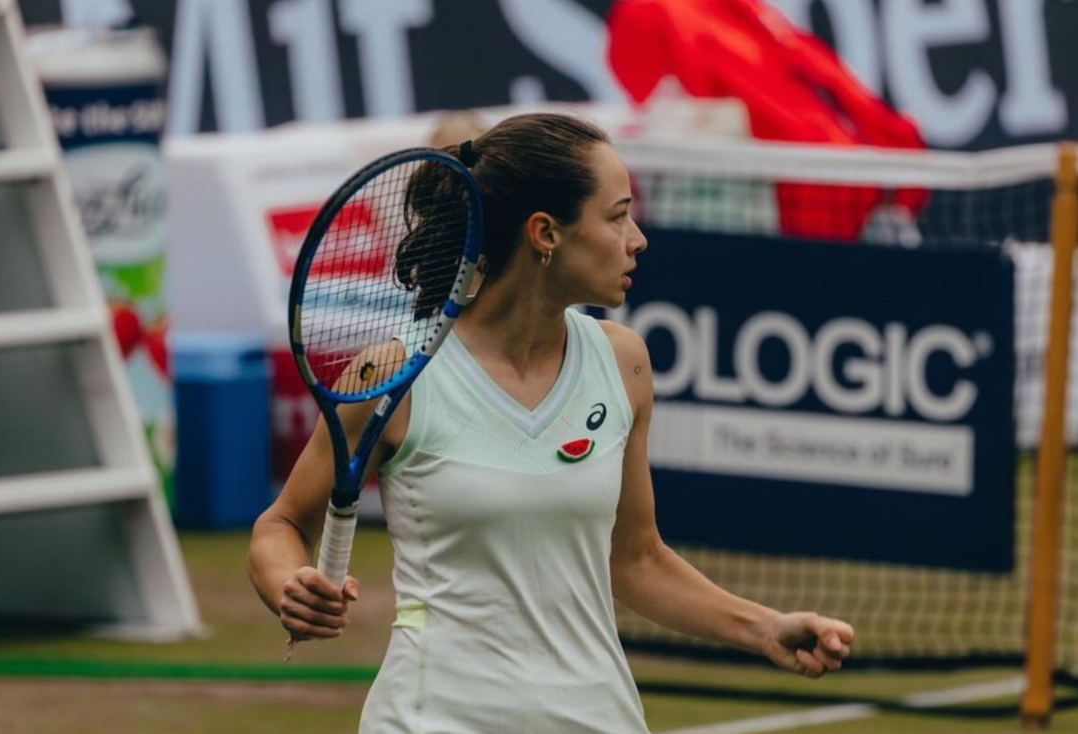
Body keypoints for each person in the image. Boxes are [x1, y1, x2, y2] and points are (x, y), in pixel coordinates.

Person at [248, 112, 854, 733]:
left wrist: (766, 628)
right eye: (617, 216)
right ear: (545, 233)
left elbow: (636, 558)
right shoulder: (395, 377)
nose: (637, 237)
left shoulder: (624, 364)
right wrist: (288, 585)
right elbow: (282, 523)